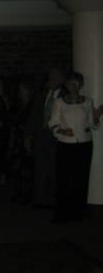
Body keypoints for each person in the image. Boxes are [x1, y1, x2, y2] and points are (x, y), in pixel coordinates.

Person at [48, 72, 102, 222]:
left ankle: (79, 213)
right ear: (66, 85)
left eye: (77, 84)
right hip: (65, 144)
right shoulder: (59, 102)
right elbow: (52, 123)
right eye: (71, 83)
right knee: (63, 179)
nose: (74, 87)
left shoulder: (88, 102)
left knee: (81, 179)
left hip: (84, 145)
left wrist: (96, 117)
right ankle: (63, 214)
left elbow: (92, 124)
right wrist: (62, 130)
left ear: (81, 85)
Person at [32, 67, 65, 208]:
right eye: (50, 77)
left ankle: (53, 199)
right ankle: (40, 198)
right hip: (41, 135)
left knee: (54, 168)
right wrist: (28, 134)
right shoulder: (42, 94)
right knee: (40, 167)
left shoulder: (65, 96)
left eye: (55, 77)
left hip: (56, 137)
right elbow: (34, 116)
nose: (52, 80)